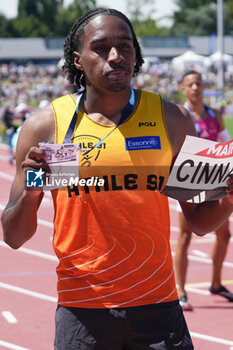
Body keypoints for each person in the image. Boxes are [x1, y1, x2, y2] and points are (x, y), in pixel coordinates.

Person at [1, 9, 233, 350]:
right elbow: (14, 235)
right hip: (83, 312)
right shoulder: (46, 125)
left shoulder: (172, 119)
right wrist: (34, 188)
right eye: (101, 47)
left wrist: (229, 198)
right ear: (78, 60)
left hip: (159, 309)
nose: (115, 56)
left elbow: (199, 221)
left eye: (125, 46)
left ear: (135, 54)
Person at [175, 70, 233, 311]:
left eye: (199, 83)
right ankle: (180, 291)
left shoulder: (214, 115)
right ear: (183, 88)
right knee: (185, 235)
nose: (196, 88)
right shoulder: (179, 115)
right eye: (191, 84)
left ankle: (216, 283)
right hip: (189, 179)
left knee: (224, 235)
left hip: (215, 179)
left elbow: (225, 142)